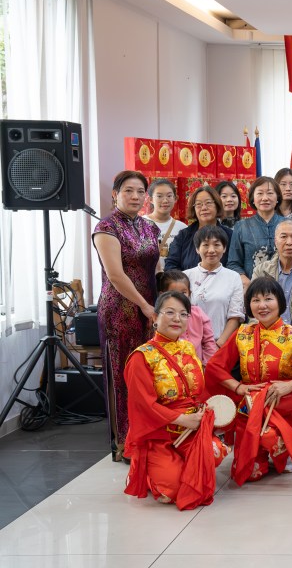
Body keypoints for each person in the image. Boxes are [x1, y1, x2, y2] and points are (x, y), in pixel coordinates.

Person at [206, 277, 292, 485]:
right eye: (255, 300)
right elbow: (214, 367)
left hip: (284, 405)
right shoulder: (242, 334)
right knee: (251, 472)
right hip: (251, 404)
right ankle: (270, 448)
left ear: (279, 302)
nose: (262, 305)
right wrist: (237, 387)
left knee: (268, 437)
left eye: (268, 299)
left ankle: (285, 448)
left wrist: (290, 385)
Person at [122, 291, 229, 509]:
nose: (177, 319)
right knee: (173, 491)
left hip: (189, 429)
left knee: (215, 452)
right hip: (158, 432)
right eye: (169, 312)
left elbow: (198, 391)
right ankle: (148, 472)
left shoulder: (187, 347)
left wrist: (203, 414)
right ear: (155, 317)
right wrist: (181, 419)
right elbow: (143, 406)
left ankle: (179, 466)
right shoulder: (141, 357)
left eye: (183, 314)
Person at [93, 170, 160, 455]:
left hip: (150, 307)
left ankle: (147, 435)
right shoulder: (106, 227)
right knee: (122, 374)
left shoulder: (149, 227)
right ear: (115, 194)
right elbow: (116, 275)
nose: (135, 196)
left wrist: (160, 302)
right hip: (120, 309)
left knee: (148, 373)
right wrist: (143, 305)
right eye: (128, 191)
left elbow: (155, 267)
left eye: (140, 191)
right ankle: (123, 441)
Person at [185, 225, 245, 348]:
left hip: (219, 345)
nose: (211, 250)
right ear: (197, 249)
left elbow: (235, 316)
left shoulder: (233, 277)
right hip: (188, 346)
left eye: (217, 245)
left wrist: (218, 346)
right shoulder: (185, 276)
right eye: (205, 245)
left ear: (224, 248)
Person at [227, 176, 287, 286]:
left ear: (278, 197)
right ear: (253, 199)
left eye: (270, 193)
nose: (265, 198)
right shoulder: (241, 227)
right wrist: (248, 284)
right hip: (252, 288)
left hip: (284, 287)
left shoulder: (288, 225)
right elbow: (233, 263)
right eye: (260, 193)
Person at [164, 186, 233, 272]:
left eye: (208, 203)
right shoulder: (183, 235)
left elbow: (235, 264)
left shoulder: (230, 235)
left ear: (217, 205)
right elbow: (171, 265)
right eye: (198, 204)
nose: (204, 208)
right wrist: (184, 279)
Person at [157, 271, 217, 364]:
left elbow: (209, 342)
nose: (179, 297)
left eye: (183, 292)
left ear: (189, 293)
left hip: (197, 366)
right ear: (162, 294)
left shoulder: (198, 313)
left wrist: (206, 365)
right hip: (169, 367)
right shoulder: (161, 316)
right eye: (173, 293)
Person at [143, 178, 187, 272]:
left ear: (175, 199)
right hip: (145, 277)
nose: (165, 200)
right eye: (159, 196)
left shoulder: (182, 228)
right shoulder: (140, 224)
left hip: (171, 278)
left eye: (169, 196)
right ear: (150, 199)